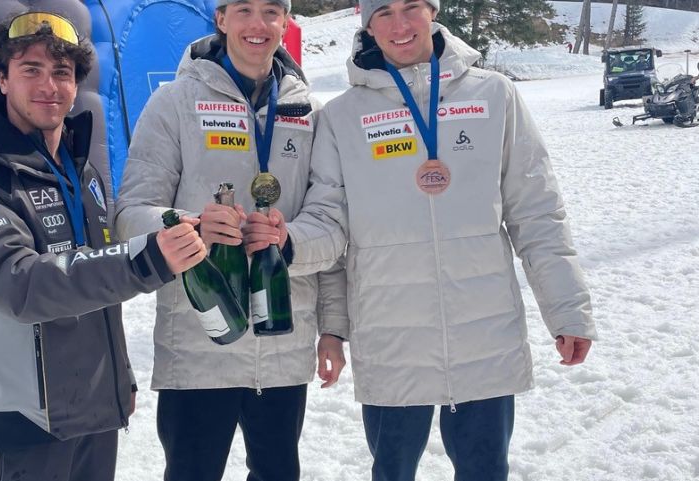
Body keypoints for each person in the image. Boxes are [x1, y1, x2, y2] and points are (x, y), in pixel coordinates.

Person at [250, 0, 598, 480]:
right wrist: (291, 241)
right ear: (367, 25)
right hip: (392, 338)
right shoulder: (342, 117)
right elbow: (329, 219)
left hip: (484, 334)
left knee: (484, 469)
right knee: (392, 470)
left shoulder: (495, 95)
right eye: (384, 12)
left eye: (412, 7)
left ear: (432, 12)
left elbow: (536, 212)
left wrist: (568, 310)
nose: (400, 24)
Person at [0, 11, 205, 481]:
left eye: (62, 72)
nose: (49, 85)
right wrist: (148, 258)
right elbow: (21, 285)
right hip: (21, 420)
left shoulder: (81, 171)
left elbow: (92, 281)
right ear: (1, 78)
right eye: (30, 69)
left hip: (92, 413)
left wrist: (118, 380)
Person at [114, 0, 347, 479]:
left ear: (286, 22)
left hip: (282, 344)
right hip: (200, 347)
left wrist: (288, 243)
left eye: (271, 11)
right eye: (243, 10)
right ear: (220, 20)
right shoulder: (174, 103)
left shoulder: (309, 111)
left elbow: (332, 222)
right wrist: (187, 225)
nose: (257, 25)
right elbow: (130, 216)